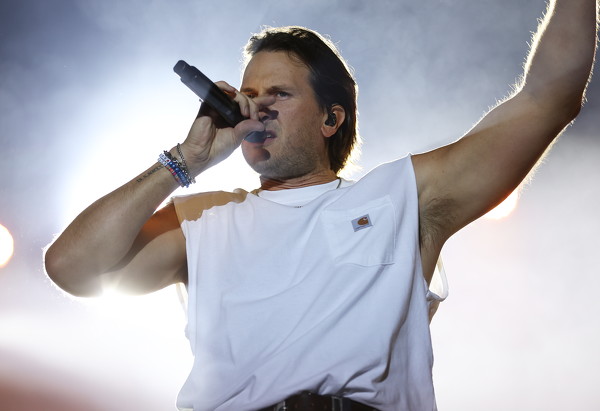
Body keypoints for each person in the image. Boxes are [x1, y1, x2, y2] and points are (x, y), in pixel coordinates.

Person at [44, 1, 598, 410]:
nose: (256, 109)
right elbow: (71, 266)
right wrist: (185, 161)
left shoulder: (401, 197)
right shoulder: (202, 219)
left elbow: (548, 97)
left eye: (279, 94)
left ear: (332, 118)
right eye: (248, 96)